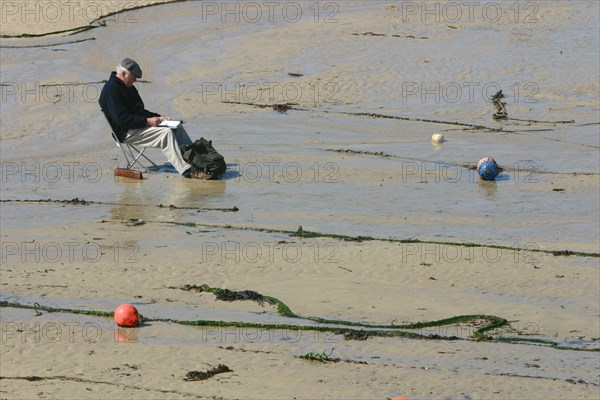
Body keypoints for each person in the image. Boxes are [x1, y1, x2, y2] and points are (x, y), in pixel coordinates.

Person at [99, 58, 203, 178]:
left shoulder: (127, 86)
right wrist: (148, 121)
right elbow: (122, 120)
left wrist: (159, 117)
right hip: (125, 132)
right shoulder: (111, 90)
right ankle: (186, 171)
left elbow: (140, 111)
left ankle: (196, 160)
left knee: (177, 126)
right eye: (132, 80)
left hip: (137, 125)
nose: (134, 83)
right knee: (166, 133)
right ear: (123, 74)